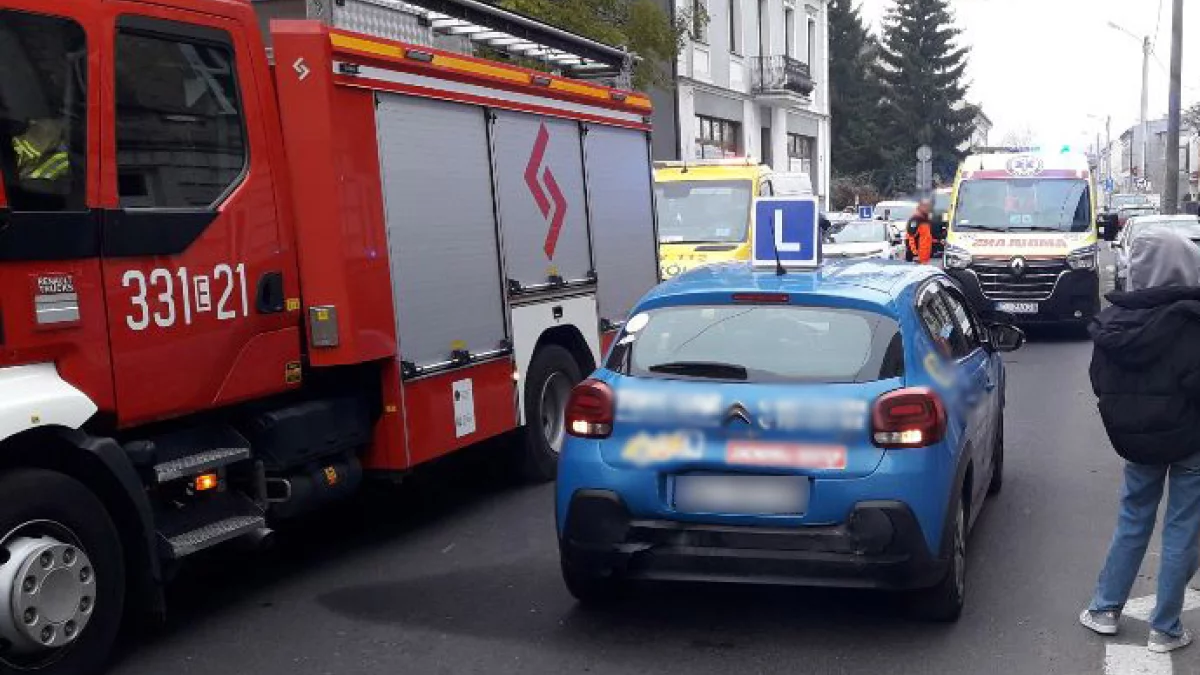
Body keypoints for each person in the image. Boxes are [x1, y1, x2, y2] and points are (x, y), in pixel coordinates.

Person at [1080, 227, 1200, 654]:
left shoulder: (1115, 321)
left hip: (1137, 441)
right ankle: (1165, 629)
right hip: (1190, 440)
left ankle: (1105, 609)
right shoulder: (1192, 320)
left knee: (1133, 517)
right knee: (1182, 526)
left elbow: (1099, 381)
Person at [905, 199, 935, 264]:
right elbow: (910, 238)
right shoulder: (915, 219)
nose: (928, 208)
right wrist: (915, 254)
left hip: (924, 257)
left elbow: (927, 237)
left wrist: (939, 241)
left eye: (928, 206)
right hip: (916, 258)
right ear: (920, 207)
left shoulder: (925, 219)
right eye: (926, 206)